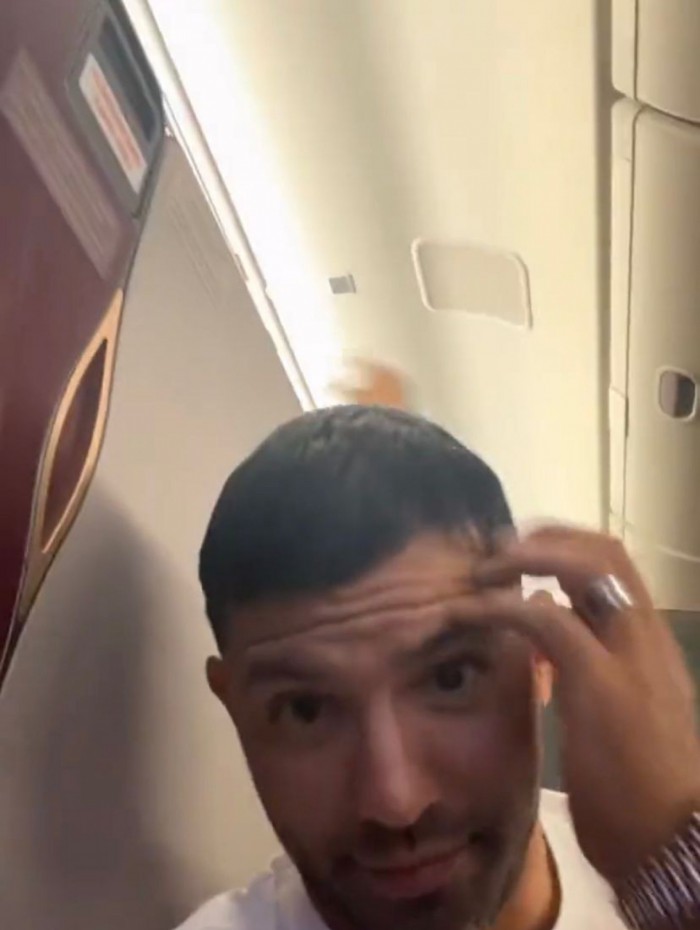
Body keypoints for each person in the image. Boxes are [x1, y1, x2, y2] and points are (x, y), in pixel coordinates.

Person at [178, 405, 700, 930]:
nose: (395, 804)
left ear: (541, 657)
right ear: (235, 707)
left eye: (451, 679)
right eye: (306, 709)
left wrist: (668, 858)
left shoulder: (647, 848)